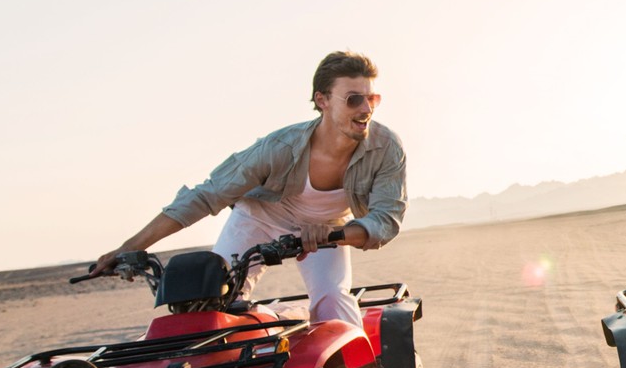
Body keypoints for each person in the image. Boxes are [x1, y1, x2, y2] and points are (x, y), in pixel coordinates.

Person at [89, 50, 407, 327]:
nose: (366, 108)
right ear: (322, 100)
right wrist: (129, 247)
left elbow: (385, 220)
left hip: (325, 231)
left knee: (334, 303)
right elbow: (205, 195)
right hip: (260, 218)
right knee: (214, 300)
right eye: (354, 99)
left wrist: (332, 235)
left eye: (372, 98)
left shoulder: (386, 147)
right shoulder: (280, 147)